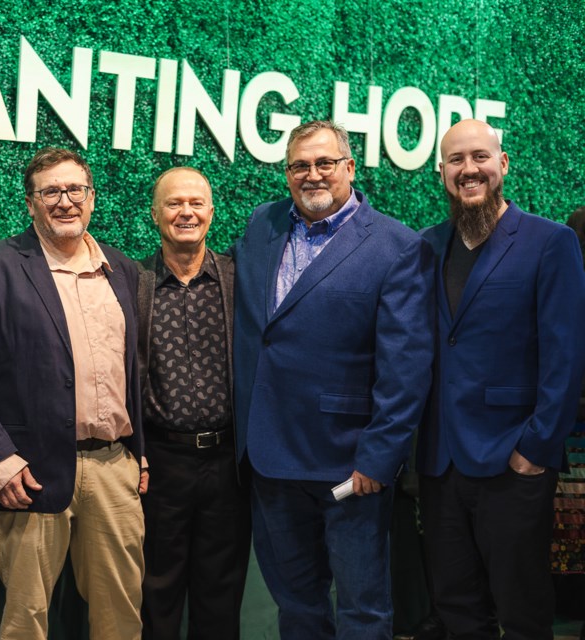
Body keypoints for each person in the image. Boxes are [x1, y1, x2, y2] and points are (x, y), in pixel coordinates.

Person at [232, 120, 435, 639]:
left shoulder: (396, 245)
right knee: (296, 604)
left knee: (363, 609)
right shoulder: (263, 224)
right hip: (271, 460)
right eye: (300, 165)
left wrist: (380, 456)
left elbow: (405, 366)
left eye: (325, 163)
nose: (313, 175)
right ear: (286, 174)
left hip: (349, 465)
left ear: (349, 167)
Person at [0, 147, 147, 639]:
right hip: (29, 474)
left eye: (74, 189)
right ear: (31, 202)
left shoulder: (122, 270)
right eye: (51, 192)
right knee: (26, 620)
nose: (65, 201)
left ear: (92, 198)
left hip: (112, 470)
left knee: (121, 615)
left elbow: (135, 369)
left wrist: (137, 452)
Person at [417, 119, 585, 640]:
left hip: (514, 462)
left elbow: (567, 355)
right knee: (457, 607)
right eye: (455, 160)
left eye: (479, 157)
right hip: (439, 463)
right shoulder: (427, 245)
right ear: (442, 171)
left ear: (503, 164)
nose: (468, 170)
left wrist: (536, 448)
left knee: (523, 610)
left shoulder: (551, 242)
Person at [136, 167, 250, 639]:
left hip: (228, 463)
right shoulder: (134, 283)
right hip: (159, 463)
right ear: (154, 213)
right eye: (174, 203)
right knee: (154, 592)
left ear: (211, 213)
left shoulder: (240, 279)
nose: (186, 213)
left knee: (220, 594)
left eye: (196, 204)